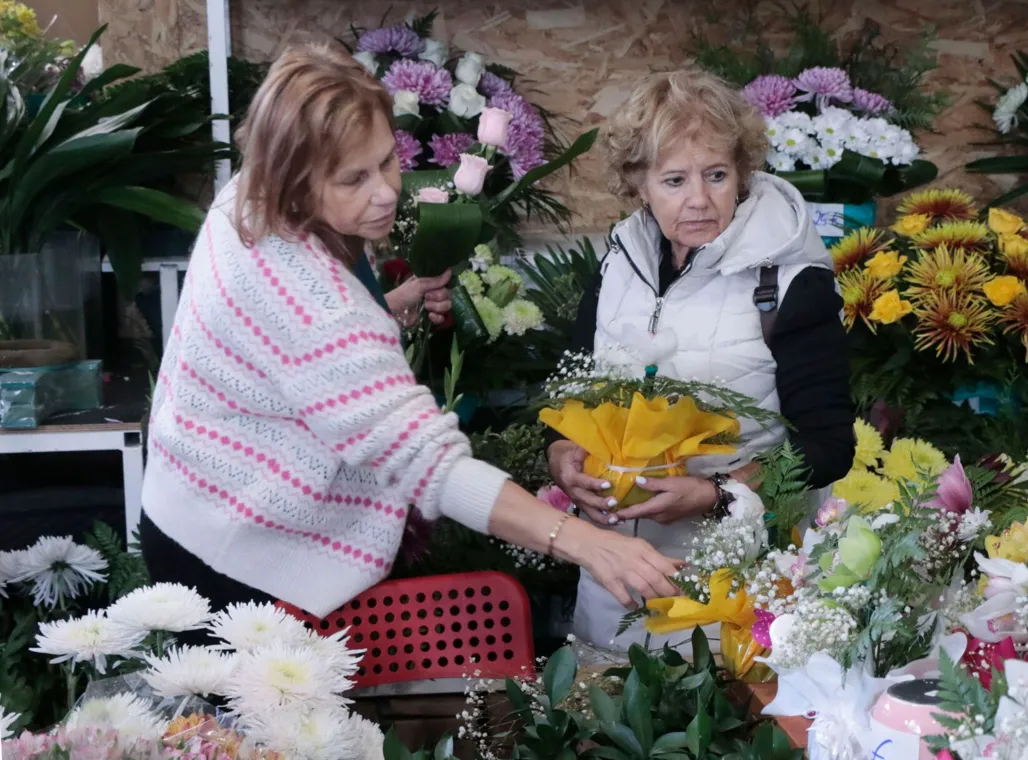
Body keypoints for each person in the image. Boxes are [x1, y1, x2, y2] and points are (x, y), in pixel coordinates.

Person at [139, 44, 680, 626]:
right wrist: (586, 542)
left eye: (386, 161)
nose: (386, 191)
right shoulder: (312, 303)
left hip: (193, 495)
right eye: (353, 178)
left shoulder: (251, 194)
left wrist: (382, 306)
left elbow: (284, 352)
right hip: (239, 556)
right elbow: (430, 464)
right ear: (295, 181)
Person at [547, 69, 855, 653]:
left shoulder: (788, 282)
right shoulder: (618, 266)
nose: (698, 199)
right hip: (611, 579)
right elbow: (571, 395)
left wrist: (718, 494)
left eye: (716, 175)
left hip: (736, 593)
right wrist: (562, 455)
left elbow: (830, 443)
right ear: (638, 184)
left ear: (741, 173)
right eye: (674, 179)